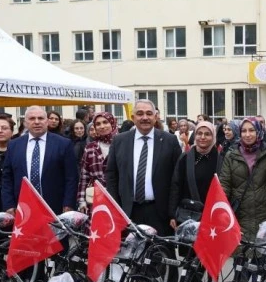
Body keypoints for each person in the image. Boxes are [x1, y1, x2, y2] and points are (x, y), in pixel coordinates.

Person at [105, 100, 182, 235]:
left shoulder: (170, 141)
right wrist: (116, 208)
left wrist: (173, 212)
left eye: (149, 113)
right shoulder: (120, 141)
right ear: (133, 117)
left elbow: (178, 178)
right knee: (130, 255)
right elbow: (111, 175)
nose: (145, 117)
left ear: (156, 117)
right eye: (140, 114)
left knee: (160, 254)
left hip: (160, 214)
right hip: (128, 212)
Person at [2, 106, 78, 215]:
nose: (37, 122)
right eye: (32, 118)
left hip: (55, 208)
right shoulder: (14, 145)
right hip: (23, 208)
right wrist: (9, 205)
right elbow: (7, 177)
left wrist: (68, 205)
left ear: (47, 121)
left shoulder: (64, 144)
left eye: (41, 118)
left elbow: (71, 177)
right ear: (25, 123)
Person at [219, 118, 266, 239]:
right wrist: (223, 211)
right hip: (239, 214)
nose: (247, 134)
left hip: (262, 214)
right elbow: (224, 184)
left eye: (251, 130)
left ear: (259, 132)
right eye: (244, 131)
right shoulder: (231, 154)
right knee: (241, 254)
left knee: (261, 253)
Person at [168, 121, 219, 230]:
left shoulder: (220, 158)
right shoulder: (185, 157)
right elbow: (176, 185)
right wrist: (172, 214)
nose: (203, 137)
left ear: (213, 136)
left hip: (213, 216)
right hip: (188, 215)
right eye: (199, 133)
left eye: (207, 134)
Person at [77, 112, 117, 213]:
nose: (102, 126)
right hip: (96, 199)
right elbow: (84, 176)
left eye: (105, 122)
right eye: (98, 124)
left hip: (119, 198)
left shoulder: (122, 144)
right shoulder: (90, 147)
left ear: (112, 123)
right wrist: (81, 200)